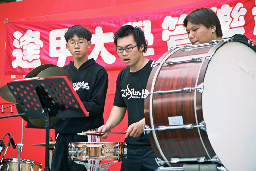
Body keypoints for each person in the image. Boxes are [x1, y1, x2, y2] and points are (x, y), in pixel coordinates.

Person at [97, 25, 159, 171]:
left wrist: (143, 123)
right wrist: (109, 125)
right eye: (120, 49)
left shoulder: (156, 71)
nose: (124, 53)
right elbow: (119, 106)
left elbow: (165, 107)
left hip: (156, 146)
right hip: (132, 147)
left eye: (129, 48)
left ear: (142, 46)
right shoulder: (123, 75)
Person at [51, 25, 108, 171]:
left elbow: (96, 106)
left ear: (89, 43)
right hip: (62, 135)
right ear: (67, 46)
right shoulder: (62, 72)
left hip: (86, 135)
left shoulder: (99, 72)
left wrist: (70, 105)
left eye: (81, 41)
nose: (76, 46)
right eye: (72, 42)